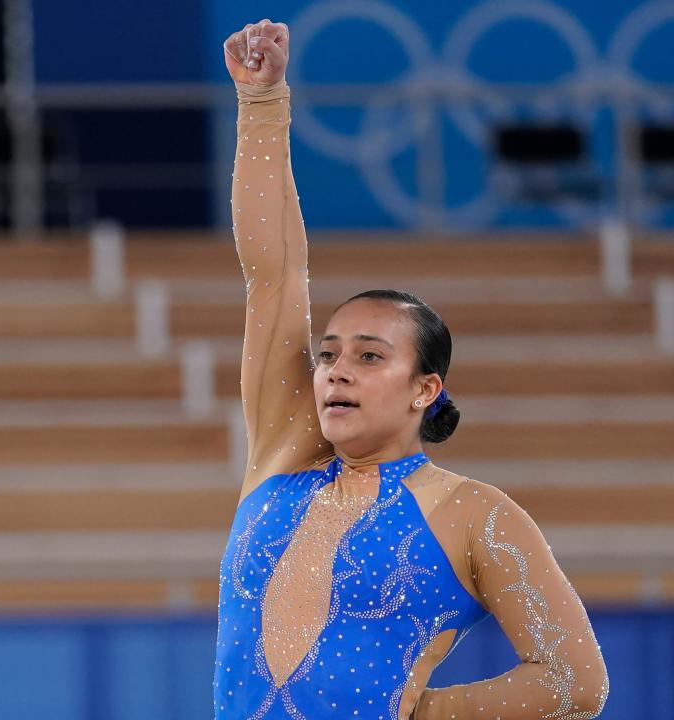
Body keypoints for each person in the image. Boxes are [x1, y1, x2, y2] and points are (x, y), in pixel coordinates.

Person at [215, 18, 609, 720]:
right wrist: (262, 104)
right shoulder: (283, 454)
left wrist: (424, 713)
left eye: (370, 356)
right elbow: (274, 275)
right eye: (330, 353)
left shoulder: (475, 516)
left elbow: (574, 681)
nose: (337, 370)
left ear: (426, 388)